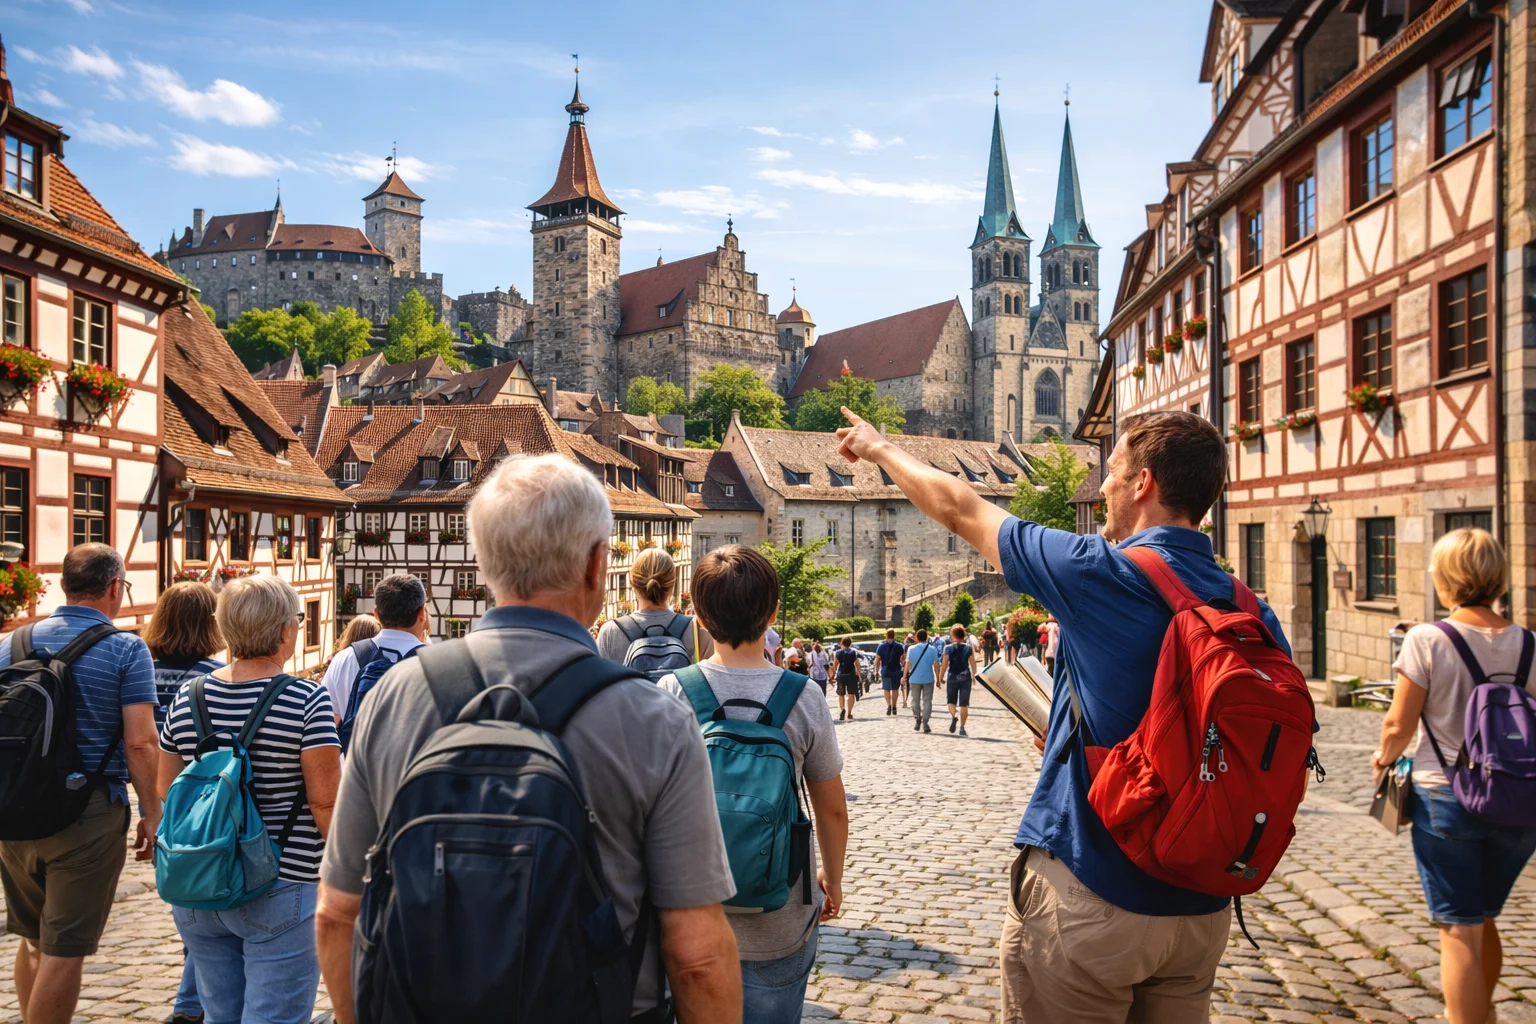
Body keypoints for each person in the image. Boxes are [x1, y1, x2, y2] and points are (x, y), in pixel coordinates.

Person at [836, 406, 1289, 1023]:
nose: (1102, 488)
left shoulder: (1098, 571)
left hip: (1095, 888)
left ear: (1144, 483)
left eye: (1113, 472)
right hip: (1202, 910)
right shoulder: (1250, 609)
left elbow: (962, 509)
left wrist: (878, 448)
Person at [315, 454, 742, 1023]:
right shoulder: (654, 717)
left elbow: (336, 913)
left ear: (483, 562)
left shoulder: (395, 697)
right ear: (596, 564)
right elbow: (697, 956)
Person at [658, 546, 848, 1023]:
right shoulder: (804, 697)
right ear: (774, 613)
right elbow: (831, 809)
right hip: (778, 921)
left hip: (691, 915)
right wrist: (832, 879)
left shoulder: (673, 691)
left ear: (699, 617)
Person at [157, 573, 341, 1024]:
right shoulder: (306, 699)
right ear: (284, 629)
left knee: (221, 1016)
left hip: (201, 882)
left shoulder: (189, 696)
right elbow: (325, 803)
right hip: (283, 882)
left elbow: (167, 788)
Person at [1373, 528, 1536, 1024]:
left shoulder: (1427, 639)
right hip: (1519, 804)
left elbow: (1398, 725)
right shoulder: (1530, 644)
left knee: (1459, 927)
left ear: (1445, 578)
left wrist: (1383, 762)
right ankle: (1481, 1012)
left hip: (1446, 797)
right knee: (1484, 916)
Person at [0, 546, 162, 1024]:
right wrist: (151, 812)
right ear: (114, 588)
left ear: (63, 584)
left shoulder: (10, 644)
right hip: (85, 815)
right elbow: (140, 742)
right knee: (64, 949)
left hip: (12, 810)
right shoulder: (126, 648)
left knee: (33, 939)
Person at [141, 581, 226, 1024]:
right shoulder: (213, 675)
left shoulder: (144, 672)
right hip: (205, 802)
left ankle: (192, 1002)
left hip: (160, 803)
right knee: (206, 904)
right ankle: (191, 1004)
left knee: (187, 901)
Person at [319, 576, 428, 727]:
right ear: (422, 613)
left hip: (358, 742)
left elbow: (325, 721)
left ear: (376, 613)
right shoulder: (439, 663)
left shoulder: (344, 659)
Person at [597, 547, 713, 671]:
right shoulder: (697, 631)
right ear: (672, 585)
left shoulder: (610, 633)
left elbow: (598, 680)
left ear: (632, 584)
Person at [902, 629, 942, 733]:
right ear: (927, 637)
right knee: (927, 701)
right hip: (928, 678)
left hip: (914, 679)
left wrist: (904, 677)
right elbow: (936, 665)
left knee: (915, 700)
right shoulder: (932, 649)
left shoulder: (911, 649)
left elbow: (907, 664)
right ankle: (925, 722)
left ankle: (917, 718)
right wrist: (938, 679)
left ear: (917, 638)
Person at [943, 625, 978, 737]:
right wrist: (974, 676)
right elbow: (973, 663)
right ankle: (962, 728)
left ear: (953, 635)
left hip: (952, 678)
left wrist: (940, 677)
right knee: (964, 704)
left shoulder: (948, 648)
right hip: (965, 678)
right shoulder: (968, 648)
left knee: (951, 703)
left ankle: (955, 715)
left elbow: (944, 664)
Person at [875, 630, 905, 716]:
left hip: (885, 669)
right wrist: (903, 667)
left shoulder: (881, 646)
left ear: (886, 635)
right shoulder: (899, 646)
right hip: (896, 669)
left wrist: (876, 671)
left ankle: (889, 705)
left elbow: (877, 660)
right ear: (894, 636)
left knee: (886, 689)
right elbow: (903, 659)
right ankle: (894, 706)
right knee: (895, 689)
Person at [833, 637, 860, 721]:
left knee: (841, 694)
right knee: (851, 694)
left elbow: (835, 665)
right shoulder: (853, 652)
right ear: (850, 643)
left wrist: (833, 675)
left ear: (842, 643)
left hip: (841, 675)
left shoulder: (838, 653)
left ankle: (842, 708)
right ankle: (849, 713)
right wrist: (859, 675)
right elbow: (857, 664)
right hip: (851, 675)